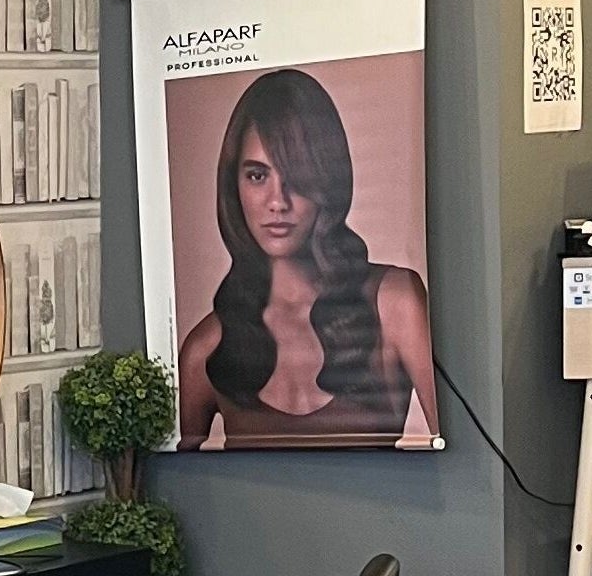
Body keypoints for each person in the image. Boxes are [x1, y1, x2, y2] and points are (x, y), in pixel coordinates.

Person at [176, 67, 435, 450]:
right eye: (257, 176)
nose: (278, 202)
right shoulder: (206, 348)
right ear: (234, 186)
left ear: (328, 179)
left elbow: (468, 458)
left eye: (297, 175)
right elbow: (177, 488)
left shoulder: (395, 304)